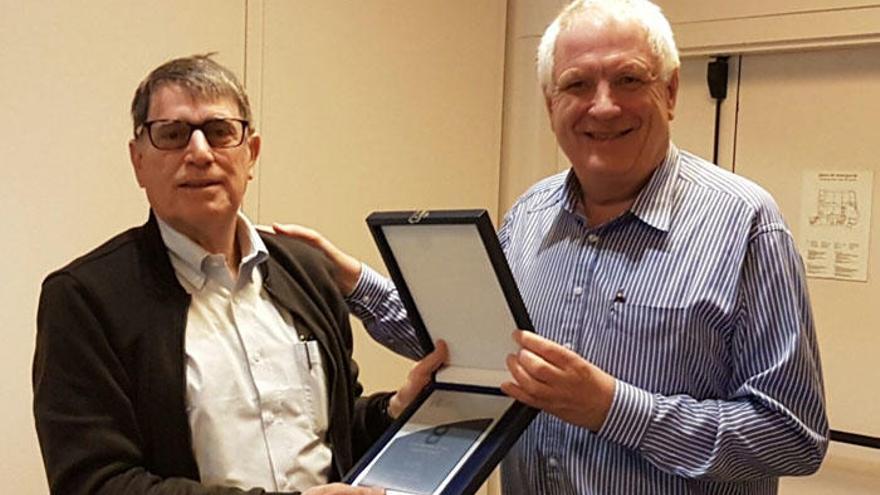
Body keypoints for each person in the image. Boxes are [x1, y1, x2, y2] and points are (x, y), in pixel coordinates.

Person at [272, 1, 830, 493]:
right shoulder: (531, 215)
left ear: (671, 90)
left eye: (629, 80)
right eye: (578, 84)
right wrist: (351, 281)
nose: (604, 106)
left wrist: (613, 409)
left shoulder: (745, 223)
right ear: (550, 102)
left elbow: (793, 435)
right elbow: (474, 342)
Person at [32, 54, 447, 495]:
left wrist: (395, 410)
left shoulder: (306, 273)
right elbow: (94, 483)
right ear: (138, 161)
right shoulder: (85, 299)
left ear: (251, 154)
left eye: (219, 132)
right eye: (172, 135)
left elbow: (333, 432)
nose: (199, 153)